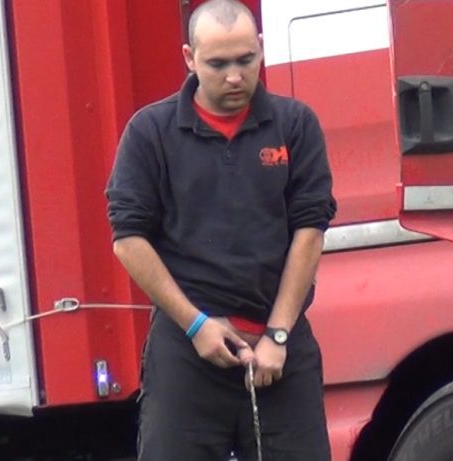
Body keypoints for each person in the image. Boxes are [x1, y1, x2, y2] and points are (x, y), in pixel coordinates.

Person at [105, 0, 336, 459]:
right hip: (187, 351)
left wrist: (278, 334)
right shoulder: (150, 132)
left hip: (280, 352)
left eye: (246, 60)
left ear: (262, 49)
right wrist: (196, 325)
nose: (234, 76)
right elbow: (128, 240)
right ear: (189, 58)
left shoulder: (295, 125)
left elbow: (310, 232)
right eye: (218, 64)